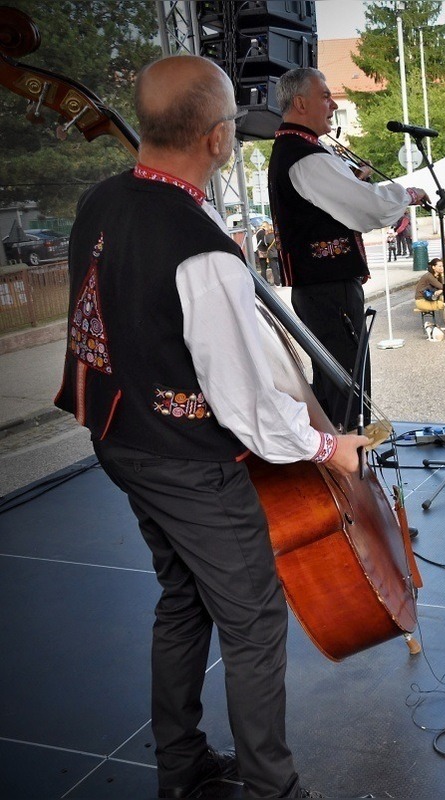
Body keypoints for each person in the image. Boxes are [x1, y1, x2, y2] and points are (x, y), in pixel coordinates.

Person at [55, 55, 368, 799]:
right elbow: (248, 407)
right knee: (254, 618)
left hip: (116, 436)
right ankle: (270, 787)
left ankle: (182, 766)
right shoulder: (202, 248)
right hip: (186, 459)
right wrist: (329, 446)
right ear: (218, 140)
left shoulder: (101, 200)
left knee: (182, 596)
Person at [268, 67, 426, 428]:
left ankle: (344, 465)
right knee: (347, 389)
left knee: (337, 383)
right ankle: (350, 468)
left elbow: (337, 204)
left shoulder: (300, 151)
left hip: (322, 287)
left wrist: (353, 183)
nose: (334, 104)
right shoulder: (305, 156)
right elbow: (368, 207)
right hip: (329, 288)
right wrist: (408, 194)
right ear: (300, 102)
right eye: (325, 96)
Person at [413, 257, 445, 330]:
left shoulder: (437, 276)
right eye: (440, 266)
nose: (442, 268)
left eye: (442, 266)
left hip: (430, 298)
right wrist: (443, 276)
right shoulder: (429, 276)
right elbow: (444, 286)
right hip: (421, 300)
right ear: (433, 267)